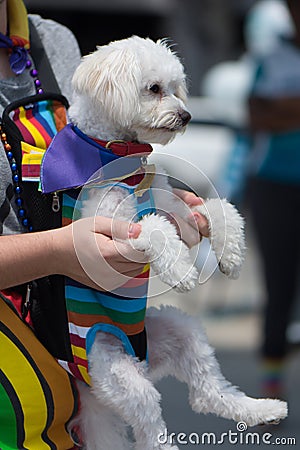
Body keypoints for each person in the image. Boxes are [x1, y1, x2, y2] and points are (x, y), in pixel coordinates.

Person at [0, 1, 208, 448]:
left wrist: (152, 202)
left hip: (67, 362)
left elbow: (95, 158)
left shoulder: (53, 40)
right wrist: (61, 250)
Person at [247, 0, 300, 398]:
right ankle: (271, 385)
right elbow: (256, 114)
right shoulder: (273, 55)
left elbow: (270, 113)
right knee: (278, 287)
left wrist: (283, 110)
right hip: (274, 185)